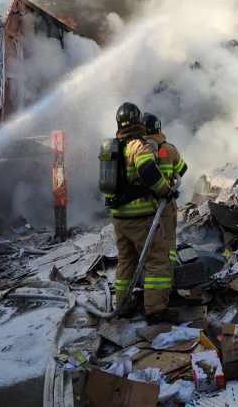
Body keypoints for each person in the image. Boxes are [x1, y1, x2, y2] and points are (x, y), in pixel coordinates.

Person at [107, 101, 176, 322]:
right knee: (157, 259)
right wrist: (165, 191)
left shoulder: (114, 146)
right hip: (141, 217)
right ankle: (156, 310)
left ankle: (123, 306)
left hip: (119, 218)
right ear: (138, 122)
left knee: (126, 260)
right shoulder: (138, 145)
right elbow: (147, 170)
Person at [142, 112, 187, 279]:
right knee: (168, 244)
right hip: (166, 203)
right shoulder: (169, 149)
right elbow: (182, 170)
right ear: (158, 129)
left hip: (144, 206)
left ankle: (145, 280)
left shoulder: (136, 149)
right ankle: (169, 281)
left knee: (147, 245)